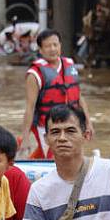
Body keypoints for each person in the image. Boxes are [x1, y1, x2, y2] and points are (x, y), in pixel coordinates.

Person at [10, 105, 110, 220]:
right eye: (55, 132)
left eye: (70, 131)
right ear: (46, 139)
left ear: (86, 135)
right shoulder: (40, 190)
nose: (62, 138)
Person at [19, 29, 94, 159]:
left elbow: (78, 97)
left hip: (70, 120)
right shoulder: (34, 74)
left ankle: (30, 162)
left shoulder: (69, 65)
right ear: (41, 50)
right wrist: (25, 137)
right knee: (57, 156)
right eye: (48, 46)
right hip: (46, 124)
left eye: (55, 45)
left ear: (60, 45)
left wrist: (88, 122)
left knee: (72, 153)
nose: (53, 49)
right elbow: (30, 108)